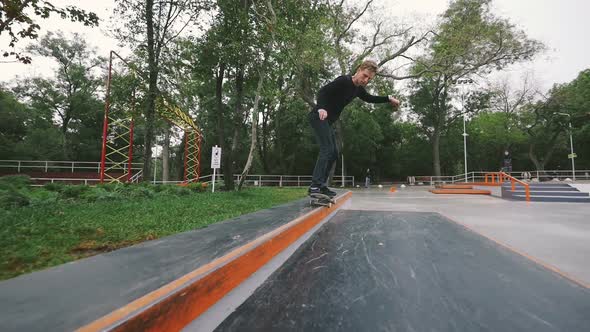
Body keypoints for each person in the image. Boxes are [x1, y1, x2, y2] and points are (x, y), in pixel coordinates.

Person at [308, 60, 400, 197]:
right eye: (364, 76)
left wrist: (388, 98)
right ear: (359, 70)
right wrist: (321, 107)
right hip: (318, 117)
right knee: (327, 149)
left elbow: (369, 98)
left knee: (333, 153)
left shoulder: (358, 90)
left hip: (328, 121)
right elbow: (323, 91)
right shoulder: (343, 81)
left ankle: (321, 186)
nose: (366, 80)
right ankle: (315, 186)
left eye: (369, 78)